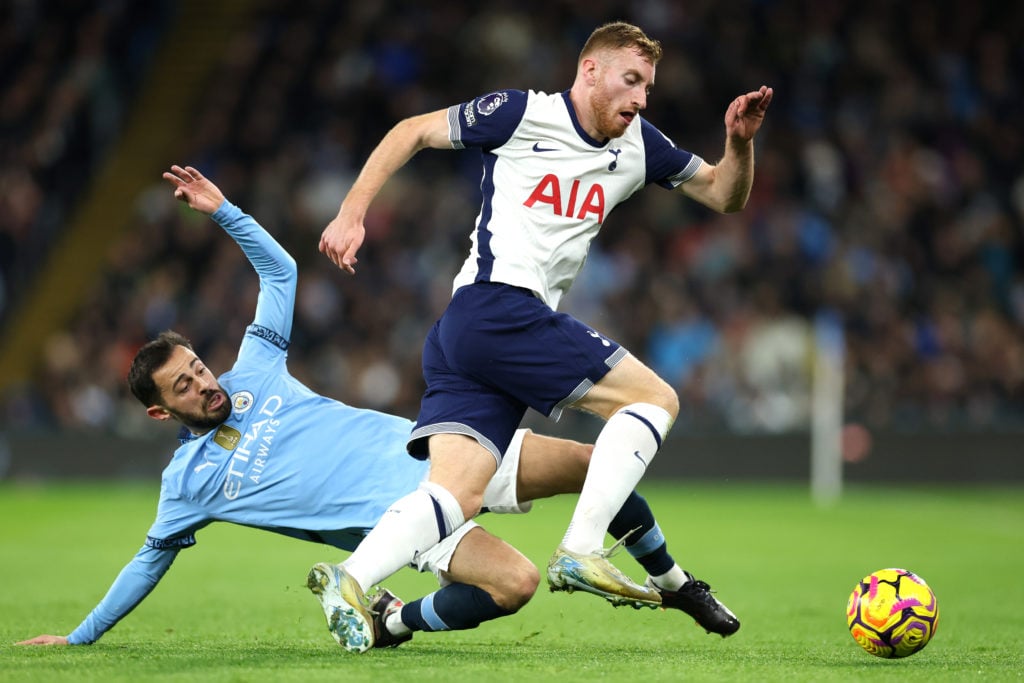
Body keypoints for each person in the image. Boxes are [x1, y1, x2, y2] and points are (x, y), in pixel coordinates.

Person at [16, 165, 733, 652]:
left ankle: (676, 585)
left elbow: (281, 270)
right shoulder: (190, 484)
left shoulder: (256, 367)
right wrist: (81, 638)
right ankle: (397, 620)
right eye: (183, 387)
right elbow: (147, 561)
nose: (204, 383)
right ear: (159, 414)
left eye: (197, 366)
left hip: (450, 454)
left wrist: (224, 211)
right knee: (513, 584)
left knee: (598, 463)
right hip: (408, 528)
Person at [316, 21, 769, 650]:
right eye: (630, 80)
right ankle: (583, 549)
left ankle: (349, 581)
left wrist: (737, 142)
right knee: (655, 400)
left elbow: (725, 194)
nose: (641, 98)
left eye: (648, 87)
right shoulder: (521, 112)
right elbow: (411, 130)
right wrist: (351, 211)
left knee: (456, 494)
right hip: (499, 307)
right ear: (589, 71)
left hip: (464, 335)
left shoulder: (641, 144)